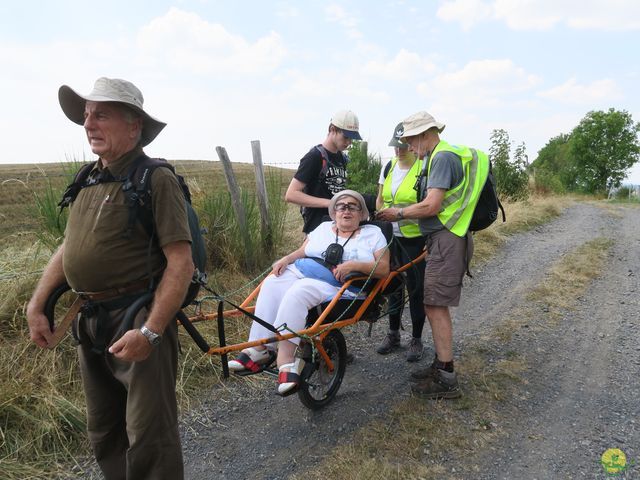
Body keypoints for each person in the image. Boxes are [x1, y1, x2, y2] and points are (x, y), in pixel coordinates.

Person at [26, 77, 193, 479]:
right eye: (86, 116)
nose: (88, 124)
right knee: (104, 431)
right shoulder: (88, 178)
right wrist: (38, 303)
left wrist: (151, 332)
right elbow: (70, 248)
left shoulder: (156, 179)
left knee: (149, 436)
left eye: (101, 114)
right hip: (90, 321)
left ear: (134, 125)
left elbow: (181, 264)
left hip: (137, 318)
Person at [228, 190, 390, 395]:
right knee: (271, 283)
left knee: (298, 292)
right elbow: (302, 251)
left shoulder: (372, 234)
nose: (346, 210)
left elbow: (384, 268)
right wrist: (286, 259)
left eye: (353, 206)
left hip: (341, 285)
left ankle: (285, 360)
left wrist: (353, 265)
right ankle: (260, 349)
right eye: (341, 206)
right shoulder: (323, 228)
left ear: (361, 214)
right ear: (334, 212)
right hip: (303, 269)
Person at [377, 111, 489, 399]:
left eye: (411, 141)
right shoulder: (443, 155)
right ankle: (441, 364)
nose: (410, 148)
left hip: (447, 238)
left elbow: (431, 206)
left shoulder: (440, 158)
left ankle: (446, 376)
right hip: (443, 237)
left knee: (435, 305)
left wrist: (398, 213)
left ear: (425, 134)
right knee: (432, 303)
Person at [375, 123, 427, 362]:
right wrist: (382, 215)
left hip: (416, 238)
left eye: (403, 146)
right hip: (391, 238)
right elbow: (379, 199)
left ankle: (416, 339)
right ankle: (393, 334)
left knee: (416, 290)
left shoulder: (423, 168)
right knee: (392, 287)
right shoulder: (388, 167)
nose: (398, 151)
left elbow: (429, 206)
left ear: (411, 144)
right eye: (395, 146)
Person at [285, 110, 362, 234]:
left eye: (351, 138)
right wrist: (331, 203)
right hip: (316, 228)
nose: (349, 143)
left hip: (336, 227)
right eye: (346, 137)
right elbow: (291, 194)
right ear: (332, 129)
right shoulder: (314, 156)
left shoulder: (342, 158)